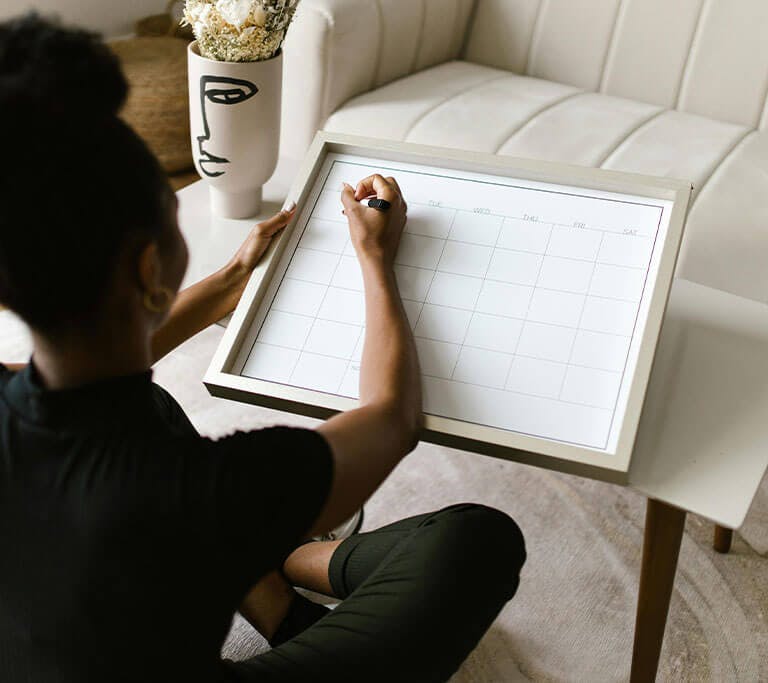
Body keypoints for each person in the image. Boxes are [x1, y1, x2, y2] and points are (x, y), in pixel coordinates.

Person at [0, 14, 526, 683]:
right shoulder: (206, 488)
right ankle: (286, 555)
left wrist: (231, 280)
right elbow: (392, 417)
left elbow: (89, 375)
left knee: (151, 402)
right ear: (145, 270)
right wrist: (375, 258)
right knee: (479, 540)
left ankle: (283, 599)